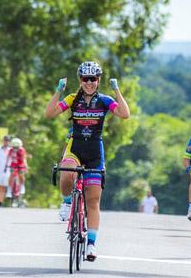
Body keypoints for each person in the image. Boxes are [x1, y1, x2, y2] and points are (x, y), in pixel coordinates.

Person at [45, 61, 130, 261]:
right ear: (80, 80)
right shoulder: (73, 99)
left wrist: (117, 90)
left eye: (93, 79)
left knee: (93, 201)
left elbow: (125, 114)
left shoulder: (105, 100)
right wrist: (58, 91)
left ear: (98, 80)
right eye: (85, 79)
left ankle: (91, 244)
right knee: (66, 170)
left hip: (94, 151)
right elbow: (49, 114)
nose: (89, 82)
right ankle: (67, 202)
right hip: (75, 147)